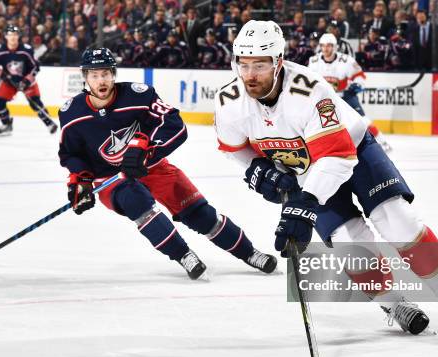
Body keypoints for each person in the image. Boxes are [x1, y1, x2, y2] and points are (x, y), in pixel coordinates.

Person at [214, 20, 438, 334]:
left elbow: (337, 156)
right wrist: (256, 170)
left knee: (398, 220)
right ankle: (394, 302)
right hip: (308, 171)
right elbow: (234, 149)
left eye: (259, 64)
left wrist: (306, 203)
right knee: (349, 242)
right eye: (243, 64)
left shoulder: (308, 90)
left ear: (278, 62)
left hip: (352, 150)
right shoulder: (229, 102)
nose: (249, 75)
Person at [58, 48, 277, 280]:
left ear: (114, 73)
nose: (101, 80)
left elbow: (175, 125)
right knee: (135, 199)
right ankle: (184, 255)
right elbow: (72, 154)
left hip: (153, 167)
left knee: (200, 215)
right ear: (85, 77)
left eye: (105, 74)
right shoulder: (72, 113)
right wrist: (80, 180)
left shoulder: (138, 95)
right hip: (111, 178)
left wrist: (146, 150)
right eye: (94, 75)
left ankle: (249, 252)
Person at [308, 33, 391, 152]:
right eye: (323, 46)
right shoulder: (314, 61)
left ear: (335, 47)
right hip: (325, 99)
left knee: (363, 121)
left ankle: (382, 142)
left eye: (329, 45)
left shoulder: (346, 60)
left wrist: (356, 85)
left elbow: (360, 76)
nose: (326, 49)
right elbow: (311, 81)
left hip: (344, 96)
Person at [0, 25, 57, 137]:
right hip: (9, 81)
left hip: (26, 80)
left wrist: (26, 81)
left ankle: (49, 123)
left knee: (35, 102)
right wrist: (2, 75)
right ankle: (6, 125)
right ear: (6, 36)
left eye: (15, 35)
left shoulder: (26, 50)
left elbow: (36, 67)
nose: (13, 37)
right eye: (10, 35)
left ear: (18, 36)